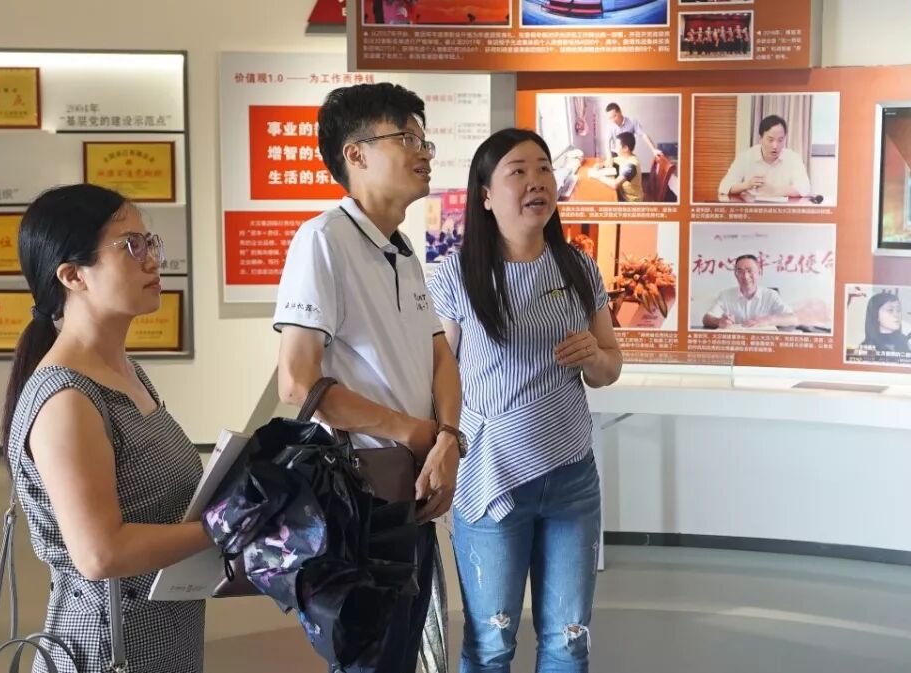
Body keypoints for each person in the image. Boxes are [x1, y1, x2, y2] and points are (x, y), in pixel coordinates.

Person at [272, 81, 463, 673]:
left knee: (404, 653)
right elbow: (297, 383)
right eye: (406, 138)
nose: (423, 152)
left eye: (424, 140)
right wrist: (412, 431)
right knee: (370, 659)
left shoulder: (402, 251)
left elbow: (440, 355)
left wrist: (446, 438)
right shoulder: (323, 240)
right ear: (355, 154)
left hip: (412, 483)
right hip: (361, 494)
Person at [427, 128, 623, 673]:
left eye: (543, 169)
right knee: (491, 644)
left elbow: (609, 368)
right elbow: (438, 380)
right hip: (490, 477)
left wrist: (594, 356)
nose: (536, 181)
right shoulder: (457, 276)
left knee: (569, 640)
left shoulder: (577, 267)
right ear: (486, 195)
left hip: (571, 479)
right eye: (518, 171)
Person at [0, 184, 210, 673]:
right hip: (104, 648)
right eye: (130, 246)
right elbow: (100, 553)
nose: (151, 259)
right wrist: (220, 527)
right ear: (73, 275)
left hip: (162, 635)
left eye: (149, 242)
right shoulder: (67, 398)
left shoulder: (127, 372)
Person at [718, 114, 812, 199]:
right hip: (753, 208)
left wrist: (774, 190)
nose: (775, 146)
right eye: (770, 140)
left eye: (780, 140)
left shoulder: (793, 158)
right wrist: (747, 185)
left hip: (783, 209)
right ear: (760, 139)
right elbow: (724, 187)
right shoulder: (745, 157)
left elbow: (804, 188)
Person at [702, 254, 798, 329]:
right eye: (740, 271)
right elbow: (706, 319)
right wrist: (719, 321)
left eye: (749, 271)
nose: (745, 276)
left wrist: (768, 320)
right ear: (735, 274)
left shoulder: (771, 295)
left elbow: (793, 318)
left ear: (759, 272)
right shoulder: (725, 295)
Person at [860, 292, 911, 362]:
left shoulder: (908, 341)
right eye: (890, 310)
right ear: (875, 315)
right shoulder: (867, 347)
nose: (896, 315)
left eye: (898, 310)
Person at [597, 102, 663, 170]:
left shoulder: (632, 121)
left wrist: (653, 149)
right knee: (610, 171)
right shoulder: (609, 126)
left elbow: (643, 135)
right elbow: (607, 144)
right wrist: (609, 157)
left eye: (614, 116)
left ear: (620, 111)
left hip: (626, 154)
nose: (613, 120)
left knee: (628, 172)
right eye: (610, 118)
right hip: (615, 153)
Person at [593, 131, 644, 202]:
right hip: (623, 193)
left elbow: (615, 184)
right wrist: (600, 165)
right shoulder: (624, 157)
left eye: (617, 146)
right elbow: (610, 161)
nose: (614, 148)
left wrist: (598, 176)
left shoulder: (631, 165)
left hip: (631, 201)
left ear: (625, 148)